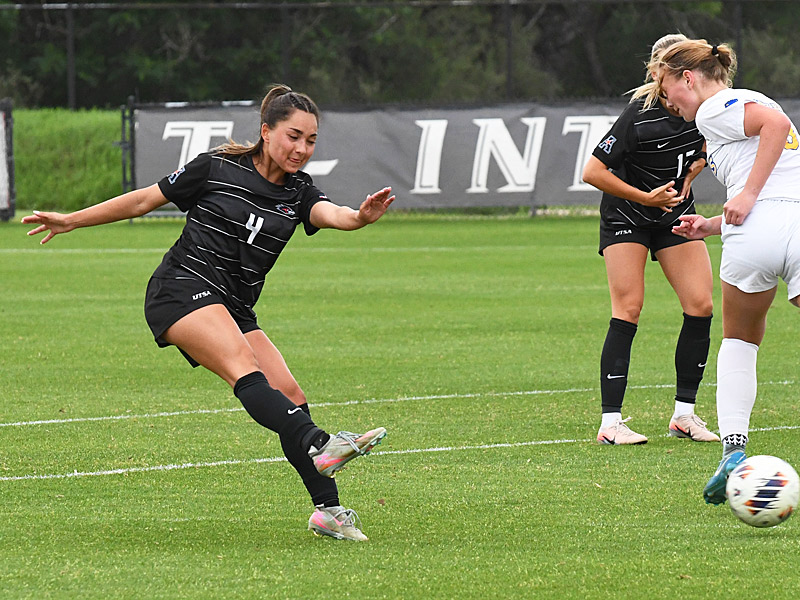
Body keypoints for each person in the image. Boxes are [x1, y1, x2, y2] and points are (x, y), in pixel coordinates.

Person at [22, 84, 394, 541]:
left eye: (311, 140)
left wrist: (358, 217)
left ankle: (328, 512)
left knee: (290, 393)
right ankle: (320, 443)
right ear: (266, 131)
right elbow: (144, 200)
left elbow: (330, 213)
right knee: (245, 367)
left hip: (234, 306)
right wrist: (72, 219)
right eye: (294, 136)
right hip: (181, 288)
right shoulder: (216, 167)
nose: (302, 148)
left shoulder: (298, 191)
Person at [655, 39, 800, 504]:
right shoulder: (745, 103)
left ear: (688, 78)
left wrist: (748, 195)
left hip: (762, 229)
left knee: (740, 341)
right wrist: (710, 225)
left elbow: (774, 127)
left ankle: (733, 451)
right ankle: (732, 455)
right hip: (790, 222)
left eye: (666, 90)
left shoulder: (713, 108)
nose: (669, 102)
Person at [582, 33, 719, 445]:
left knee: (701, 305)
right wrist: (645, 197)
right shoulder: (637, 115)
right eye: (659, 69)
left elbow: (711, 146)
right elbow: (592, 172)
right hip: (628, 215)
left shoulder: (707, 110)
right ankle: (611, 423)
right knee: (629, 308)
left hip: (675, 215)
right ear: (661, 72)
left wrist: (694, 172)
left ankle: (684, 415)